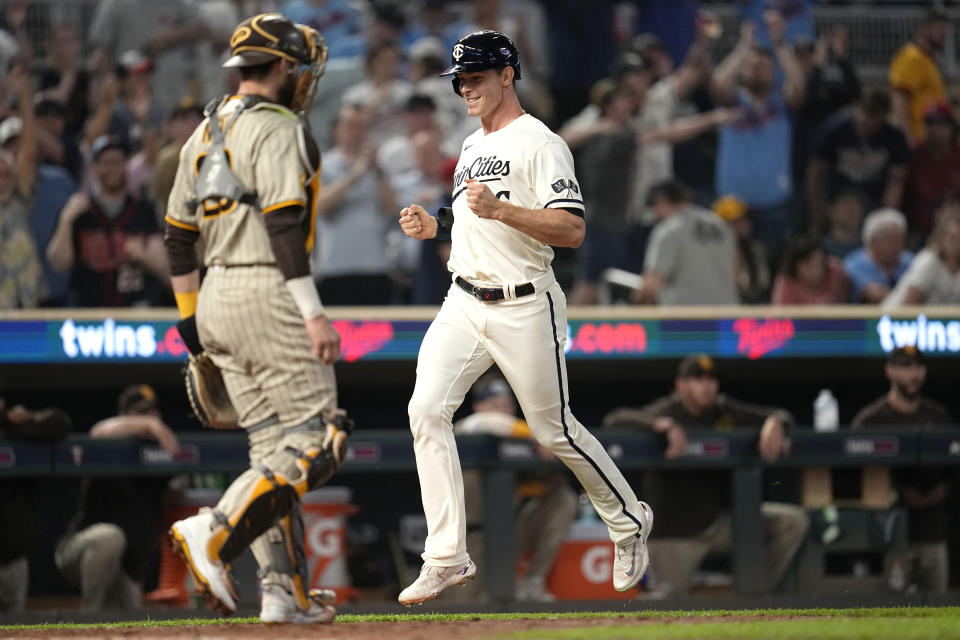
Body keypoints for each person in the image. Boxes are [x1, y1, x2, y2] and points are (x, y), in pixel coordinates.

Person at [396, 30, 652, 605]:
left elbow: (571, 228)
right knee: (425, 410)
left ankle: (630, 521)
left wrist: (504, 209)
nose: (466, 88)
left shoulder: (542, 142)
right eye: (460, 80)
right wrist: (435, 224)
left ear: (508, 75)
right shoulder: (469, 144)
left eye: (477, 77)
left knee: (552, 429)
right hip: (463, 299)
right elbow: (471, 215)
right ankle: (445, 557)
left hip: (524, 302)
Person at [162, 13, 351, 624]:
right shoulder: (277, 126)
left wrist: (193, 329)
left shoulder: (202, 132)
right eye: (296, 67)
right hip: (268, 286)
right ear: (283, 68)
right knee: (319, 439)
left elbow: (176, 238)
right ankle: (212, 531)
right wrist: (314, 314)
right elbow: (282, 224)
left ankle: (283, 592)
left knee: (271, 451)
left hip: (214, 295)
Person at [602, 354, 809, 595]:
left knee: (791, 522)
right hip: (675, 534)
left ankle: (753, 598)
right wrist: (659, 424)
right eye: (698, 379)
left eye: (712, 379)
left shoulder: (723, 410)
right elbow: (615, 419)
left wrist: (776, 421)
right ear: (681, 385)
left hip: (718, 525)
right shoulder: (669, 410)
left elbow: (779, 413)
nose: (707, 386)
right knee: (665, 604)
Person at [54, 385, 179, 612]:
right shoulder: (109, 443)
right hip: (81, 551)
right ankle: (88, 617)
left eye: (153, 413)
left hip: (127, 566)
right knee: (110, 538)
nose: (150, 419)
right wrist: (150, 425)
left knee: (132, 621)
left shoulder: (159, 454)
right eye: (141, 413)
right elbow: (100, 430)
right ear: (125, 416)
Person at [454, 373, 577, 603]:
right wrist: (536, 434)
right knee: (461, 607)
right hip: (471, 539)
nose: (502, 411)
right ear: (478, 406)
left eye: (506, 405)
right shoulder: (465, 429)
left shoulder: (520, 441)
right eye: (494, 405)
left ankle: (533, 580)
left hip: (510, 532)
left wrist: (539, 484)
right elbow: (483, 423)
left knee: (562, 499)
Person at [852, 346, 954, 594]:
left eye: (919, 367)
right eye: (906, 367)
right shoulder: (871, 420)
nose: (914, 374)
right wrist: (898, 490)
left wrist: (945, 489)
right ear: (890, 371)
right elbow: (855, 477)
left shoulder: (938, 416)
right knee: (889, 612)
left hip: (931, 530)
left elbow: (953, 470)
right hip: (885, 534)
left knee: (937, 608)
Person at [711, 12, 805, 269]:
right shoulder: (734, 102)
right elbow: (718, 83)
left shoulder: (780, 104)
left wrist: (779, 45)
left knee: (771, 267)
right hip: (731, 202)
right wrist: (744, 48)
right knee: (724, 267)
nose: (759, 71)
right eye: (753, 66)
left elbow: (798, 86)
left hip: (773, 204)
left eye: (765, 68)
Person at [46, 134, 169, 307]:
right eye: (106, 162)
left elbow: (164, 269)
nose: (113, 168)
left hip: (134, 311)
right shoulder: (79, 210)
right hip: (88, 316)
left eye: (118, 162)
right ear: (94, 167)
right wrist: (65, 221)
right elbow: (58, 263)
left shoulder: (144, 209)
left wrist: (144, 255)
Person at [312, 104, 398, 305]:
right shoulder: (322, 164)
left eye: (362, 126)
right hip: (335, 267)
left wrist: (376, 170)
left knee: (379, 335)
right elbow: (321, 206)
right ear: (336, 130)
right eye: (351, 126)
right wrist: (356, 173)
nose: (357, 132)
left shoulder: (379, 168)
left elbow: (392, 209)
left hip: (375, 267)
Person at [0, 396, 71, 613]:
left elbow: (60, 423)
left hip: (12, 556)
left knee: (13, 625)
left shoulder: (16, 428)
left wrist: (8, 426)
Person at [806, 90, 909, 237]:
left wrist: (885, 218)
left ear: (884, 117)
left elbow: (896, 181)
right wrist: (816, 215)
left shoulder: (894, 138)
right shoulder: (835, 129)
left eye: (873, 116)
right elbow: (815, 173)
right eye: (864, 113)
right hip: (837, 197)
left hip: (873, 200)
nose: (865, 120)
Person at [635, 179, 739, 306]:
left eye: (655, 207)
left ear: (662, 201)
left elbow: (651, 284)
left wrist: (635, 308)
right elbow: (735, 274)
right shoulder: (722, 225)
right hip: (726, 313)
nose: (656, 214)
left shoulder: (669, 229)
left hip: (685, 316)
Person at [888, 8, 949, 145]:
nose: (944, 33)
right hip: (916, 139)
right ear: (923, 29)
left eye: (945, 30)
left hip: (931, 142)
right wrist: (907, 137)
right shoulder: (911, 57)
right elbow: (899, 100)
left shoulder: (929, 60)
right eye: (939, 29)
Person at [903, 101, 960, 243]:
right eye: (930, 124)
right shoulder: (914, 153)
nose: (934, 130)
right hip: (918, 229)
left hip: (954, 230)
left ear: (951, 127)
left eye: (941, 125)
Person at [883, 203, 960, 307]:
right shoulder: (928, 261)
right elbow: (909, 304)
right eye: (951, 238)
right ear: (940, 238)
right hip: (893, 319)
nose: (955, 243)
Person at [843, 208, 914, 303]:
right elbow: (872, 295)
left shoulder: (911, 261)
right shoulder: (853, 264)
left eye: (900, 239)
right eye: (891, 240)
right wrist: (911, 297)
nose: (898, 245)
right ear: (872, 242)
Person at [712, 195, 770, 304]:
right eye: (736, 221)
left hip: (754, 305)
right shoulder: (712, 252)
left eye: (745, 218)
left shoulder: (755, 249)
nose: (744, 224)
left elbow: (763, 283)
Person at [772, 236, 847, 305]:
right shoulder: (786, 282)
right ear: (796, 266)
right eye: (810, 265)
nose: (817, 270)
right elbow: (781, 315)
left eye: (820, 264)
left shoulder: (836, 272)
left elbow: (845, 305)